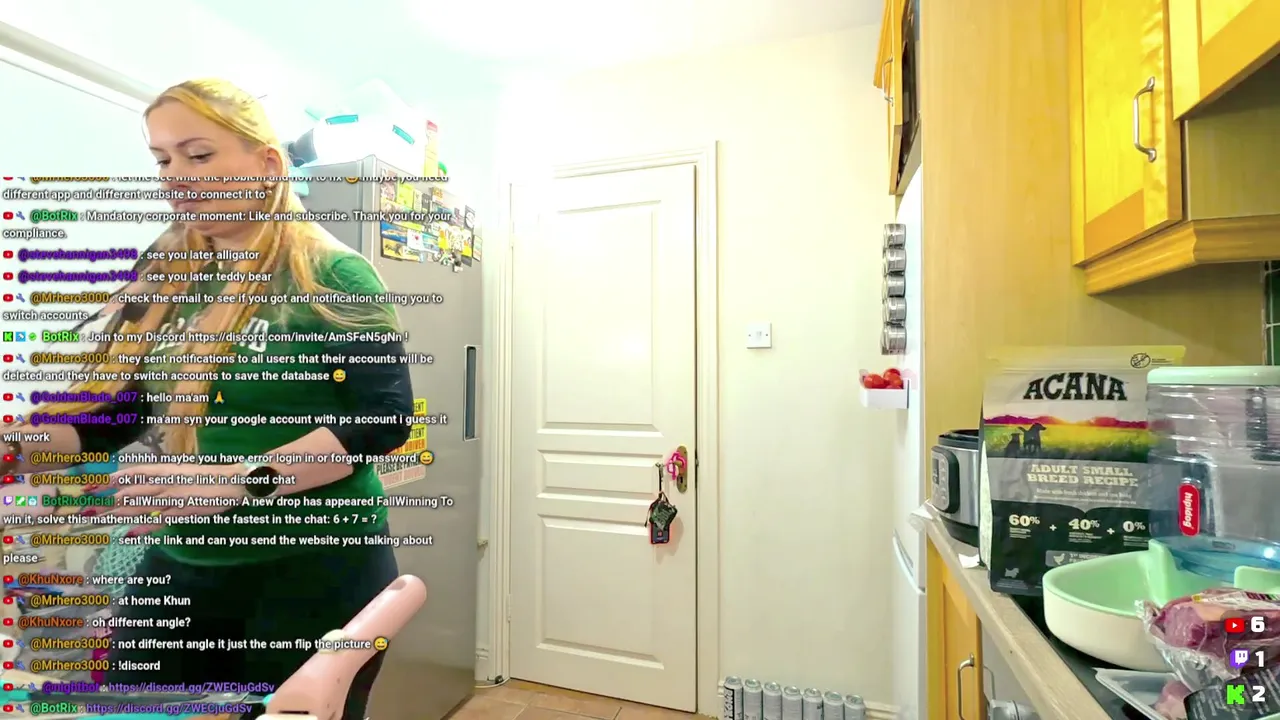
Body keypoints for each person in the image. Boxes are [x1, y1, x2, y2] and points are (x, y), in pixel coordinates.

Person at [0, 79, 412, 720]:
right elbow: (127, 413)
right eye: (162, 159)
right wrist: (19, 444)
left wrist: (234, 481)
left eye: (198, 155)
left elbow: (381, 421)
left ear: (266, 164)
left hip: (312, 567)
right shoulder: (167, 273)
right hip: (182, 560)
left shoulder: (332, 274)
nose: (175, 176)